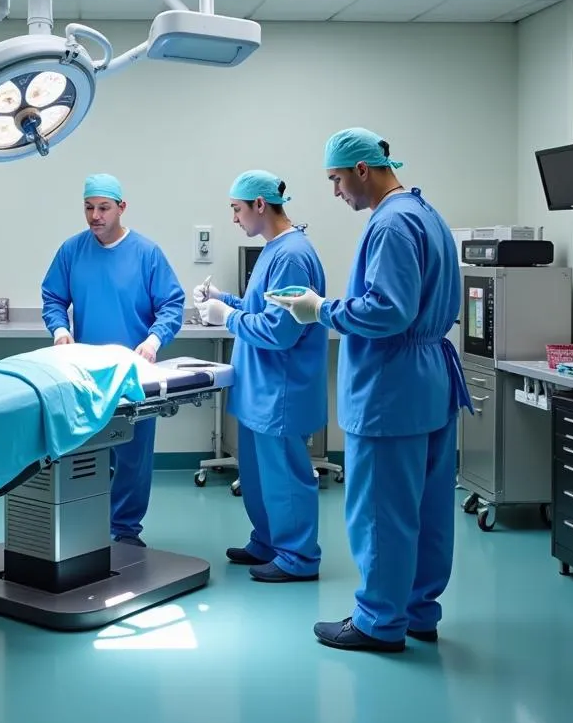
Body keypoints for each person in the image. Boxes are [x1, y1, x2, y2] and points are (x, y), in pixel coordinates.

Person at [267, 128, 472, 653]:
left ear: (362, 170)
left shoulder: (390, 224)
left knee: (381, 512)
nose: (335, 192)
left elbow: (387, 309)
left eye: (336, 179)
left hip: (391, 389)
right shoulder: (428, 214)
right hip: (429, 382)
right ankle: (418, 611)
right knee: (427, 509)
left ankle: (380, 621)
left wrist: (321, 308)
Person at [194, 170, 328, 583]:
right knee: (257, 474)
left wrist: (227, 317)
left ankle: (298, 557)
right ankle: (268, 541)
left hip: (280, 389)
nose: (234, 218)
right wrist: (223, 301)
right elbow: (262, 306)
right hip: (259, 389)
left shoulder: (291, 255)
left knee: (285, 476)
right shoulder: (273, 249)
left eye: (236, 209)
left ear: (259, 205)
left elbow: (280, 330)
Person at [41, 173, 185, 546]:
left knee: (133, 457)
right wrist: (59, 330)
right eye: (89, 208)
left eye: (104, 208)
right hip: (86, 374)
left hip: (135, 373)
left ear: (122, 208)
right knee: (87, 452)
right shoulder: (72, 251)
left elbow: (171, 304)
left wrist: (153, 341)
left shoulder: (146, 253)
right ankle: (85, 527)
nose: (95, 216)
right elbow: (53, 298)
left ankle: (124, 531)